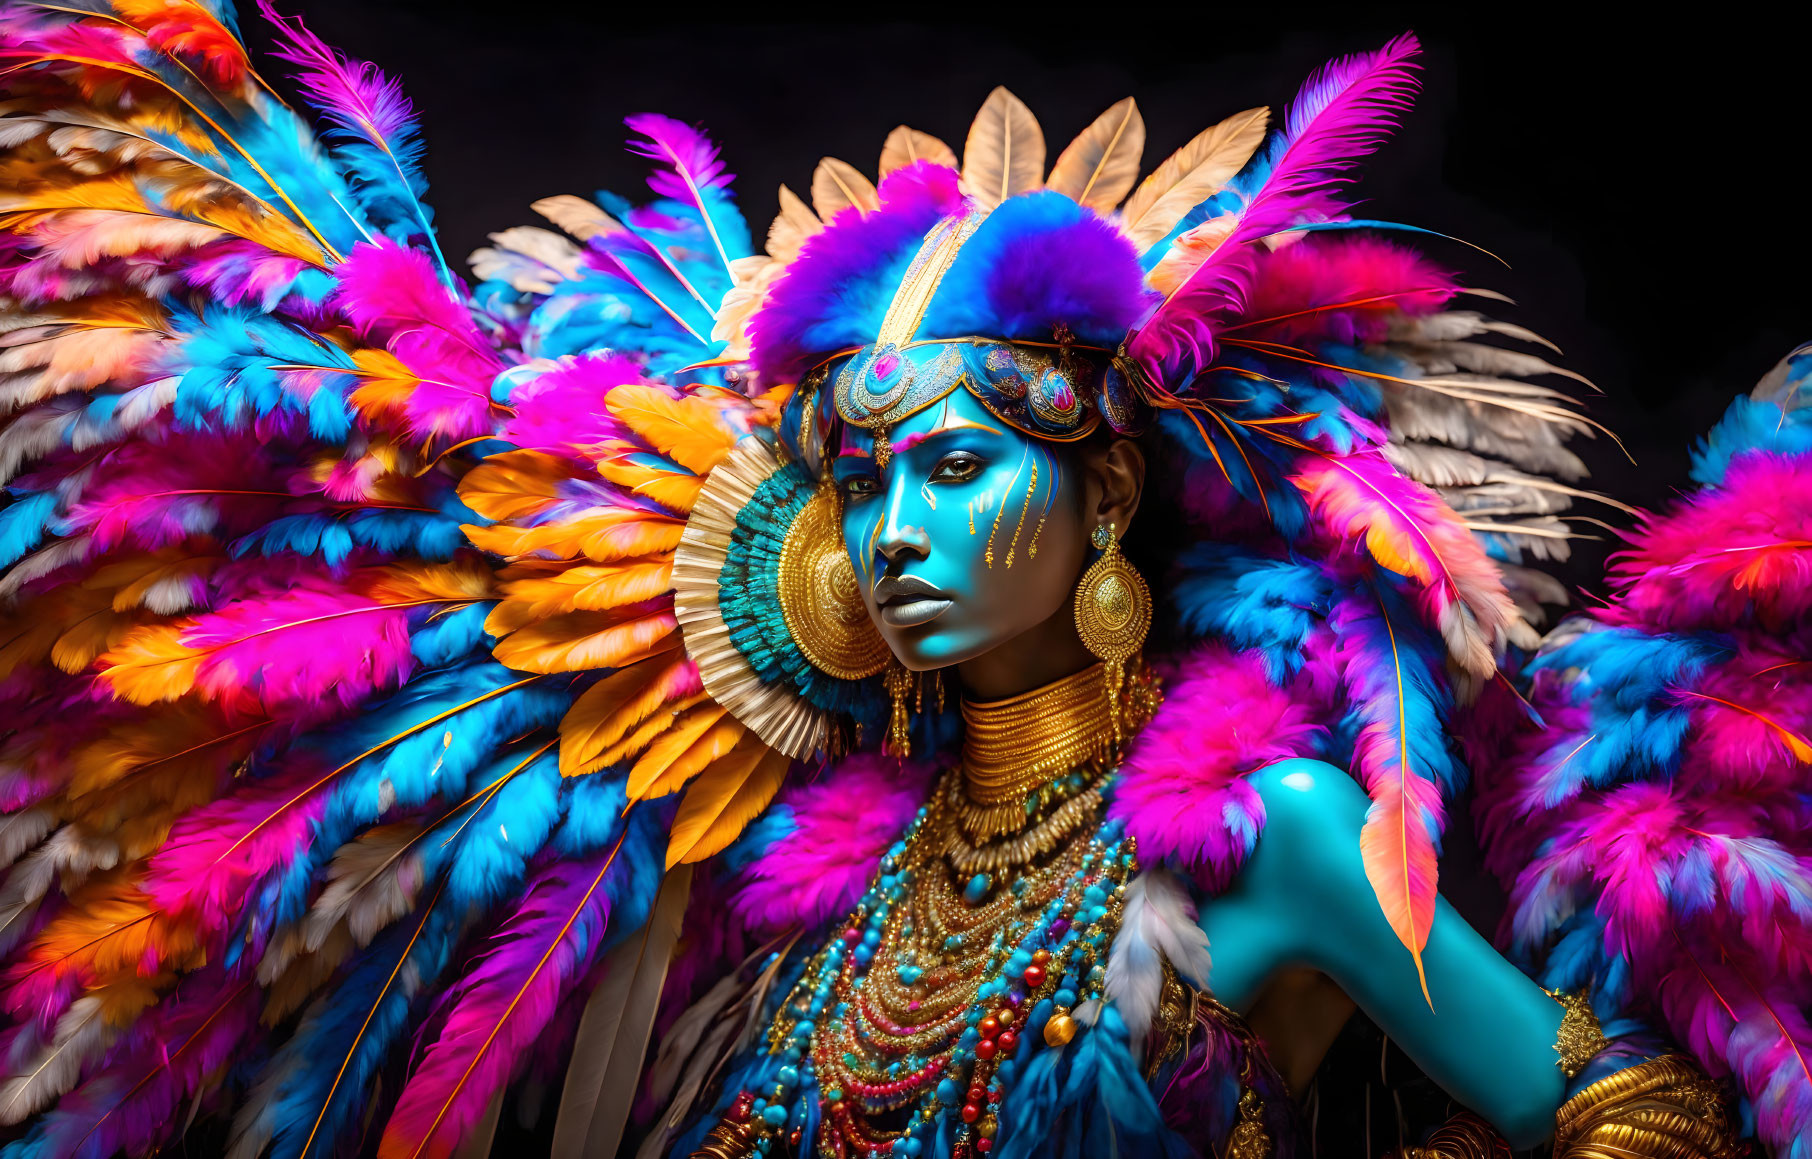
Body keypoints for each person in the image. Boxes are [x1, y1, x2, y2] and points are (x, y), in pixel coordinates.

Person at [0, 6, 1792, 1159]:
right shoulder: (827, 869)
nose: (896, 531)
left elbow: (1630, 1110)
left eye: (953, 467)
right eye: (860, 485)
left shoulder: (1279, 830)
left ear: (1101, 504)